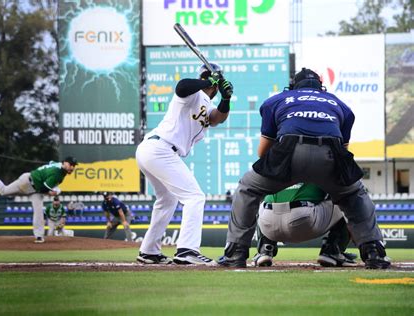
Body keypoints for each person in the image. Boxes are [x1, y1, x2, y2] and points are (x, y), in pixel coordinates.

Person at [218, 68, 390, 269]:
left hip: (288, 151)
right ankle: (373, 253)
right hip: (330, 153)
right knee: (354, 194)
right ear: (320, 86)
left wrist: (283, 170)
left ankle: (236, 252)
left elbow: (262, 152)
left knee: (248, 187)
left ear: (293, 85)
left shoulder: (278, 100)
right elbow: (344, 153)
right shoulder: (339, 104)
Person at [135, 63, 234, 265]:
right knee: (195, 196)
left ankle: (148, 251)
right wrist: (209, 81)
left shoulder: (207, 103)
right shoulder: (192, 94)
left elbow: (218, 118)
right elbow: (182, 86)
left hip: (154, 150)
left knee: (168, 200)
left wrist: (226, 98)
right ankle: (187, 250)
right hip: (160, 149)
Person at [0, 156, 78, 243]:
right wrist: (52, 193)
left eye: (74, 166)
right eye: (70, 164)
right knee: (3, 191)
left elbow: (51, 162)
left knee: (38, 211)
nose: (72, 168)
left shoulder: (57, 164)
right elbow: (43, 189)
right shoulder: (58, 174)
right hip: (27, 182)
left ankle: (39, 236)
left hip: (35, 189)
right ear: (64, 163)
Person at [250, 183, 357, 267]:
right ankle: (332, 250)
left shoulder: (276, 165)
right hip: (302, 219)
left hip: (268, 224)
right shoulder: (319, 164)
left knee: (262, 204)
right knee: (345, 198)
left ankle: (265, 249)